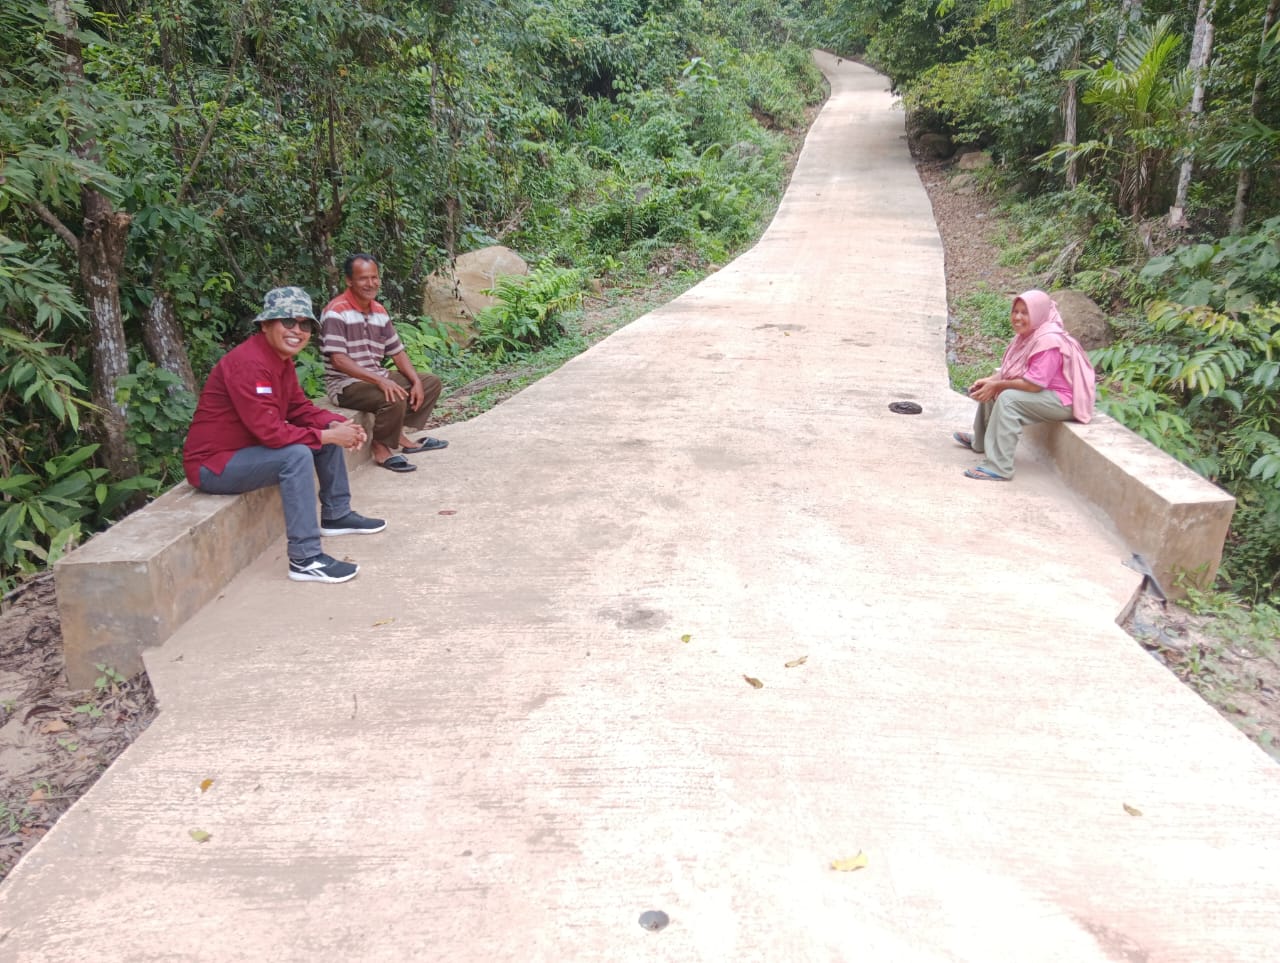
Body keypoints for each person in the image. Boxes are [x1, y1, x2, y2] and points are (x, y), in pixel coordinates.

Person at [183, 286, 385, 583]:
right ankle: (305, 558)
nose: (298, 330)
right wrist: (328, 436)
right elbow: (271, 433)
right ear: (265, 325)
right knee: (297, 454)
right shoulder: (249, 363)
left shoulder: (280, 360)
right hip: (214, 465)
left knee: (320, 435)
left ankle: (336, 514)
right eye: (288, 322)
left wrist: (336, 425)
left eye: (305, 324)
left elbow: (299, 408)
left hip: (249, 452)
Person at [319, 253, 447, 474]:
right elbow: (338, 360)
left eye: (374, 277)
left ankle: (397, 434)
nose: (371, 283)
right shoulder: (336, 312)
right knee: (393, 394)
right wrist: (380, 380)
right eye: (363, 278)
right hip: (345, 384)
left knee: (430, 383)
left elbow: (397, 352)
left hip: (375, 375)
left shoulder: (378, 310)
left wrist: (415, 381)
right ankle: (380, 446)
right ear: (349, 281)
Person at [954, 289, 1097, 481]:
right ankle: (980, 441)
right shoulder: (1028, 335)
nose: (1017, 317)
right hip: (1046, 391)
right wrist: (989, 381)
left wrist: (998, 386)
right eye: (1015, 311)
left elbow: (1034, 385)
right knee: (992, 389)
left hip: (1065, 401)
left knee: (1007, 398)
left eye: (1024, 312)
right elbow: (1011, 371)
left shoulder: (1049, 340)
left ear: (1037, 313)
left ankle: (999, 467)